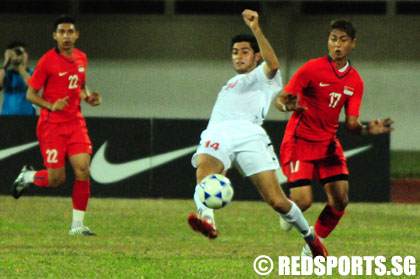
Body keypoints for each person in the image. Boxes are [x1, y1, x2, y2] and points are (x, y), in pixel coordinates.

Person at [187, 9, 327, 258]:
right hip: (218, 133)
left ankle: (312, 240)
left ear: (256, 56)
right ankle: (207, 220)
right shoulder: (231, 82)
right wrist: (222, 166)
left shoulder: (264, 77)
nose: (238, 57)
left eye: (244, 52)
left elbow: (273, 64)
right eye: (234, 52)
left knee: (278, 202)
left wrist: (256, 28)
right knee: (205, 172)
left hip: (250, 134)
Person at [275, 19, 394, 256]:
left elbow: (351, 125)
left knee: (340, 200)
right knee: (303, 202)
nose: (336, 45)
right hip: (300, 141)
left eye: (342, 40)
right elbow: (281, 99)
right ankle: (289, 208)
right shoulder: (311, 68)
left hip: (328, 144)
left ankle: (312, 246)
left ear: (353, 44)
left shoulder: (355, 81)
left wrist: (368, 129)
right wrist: (286, 105)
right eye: (332, 39)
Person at [12, 15, 102, 236]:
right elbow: (31, 94)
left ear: (76, 35)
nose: (66, 36)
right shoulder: (47, 61)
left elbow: (80, 86)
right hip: (52, 125)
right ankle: (28, 177)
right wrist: (51, 105)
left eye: (70, 32)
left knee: (83, 170)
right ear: (55, 36)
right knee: (56, 180)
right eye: (61, 32)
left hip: (75, 123)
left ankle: (77, 226)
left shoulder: (81, 58)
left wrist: (88, 97)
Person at [0, 41, 35, 115]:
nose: (17, 56)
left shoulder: (32, 72)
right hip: (7, 117)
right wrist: (6, 63)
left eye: (20, 53)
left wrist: (19, 66)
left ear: (26, 55)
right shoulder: (6, 73)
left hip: (28, 117)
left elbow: (33, 87)